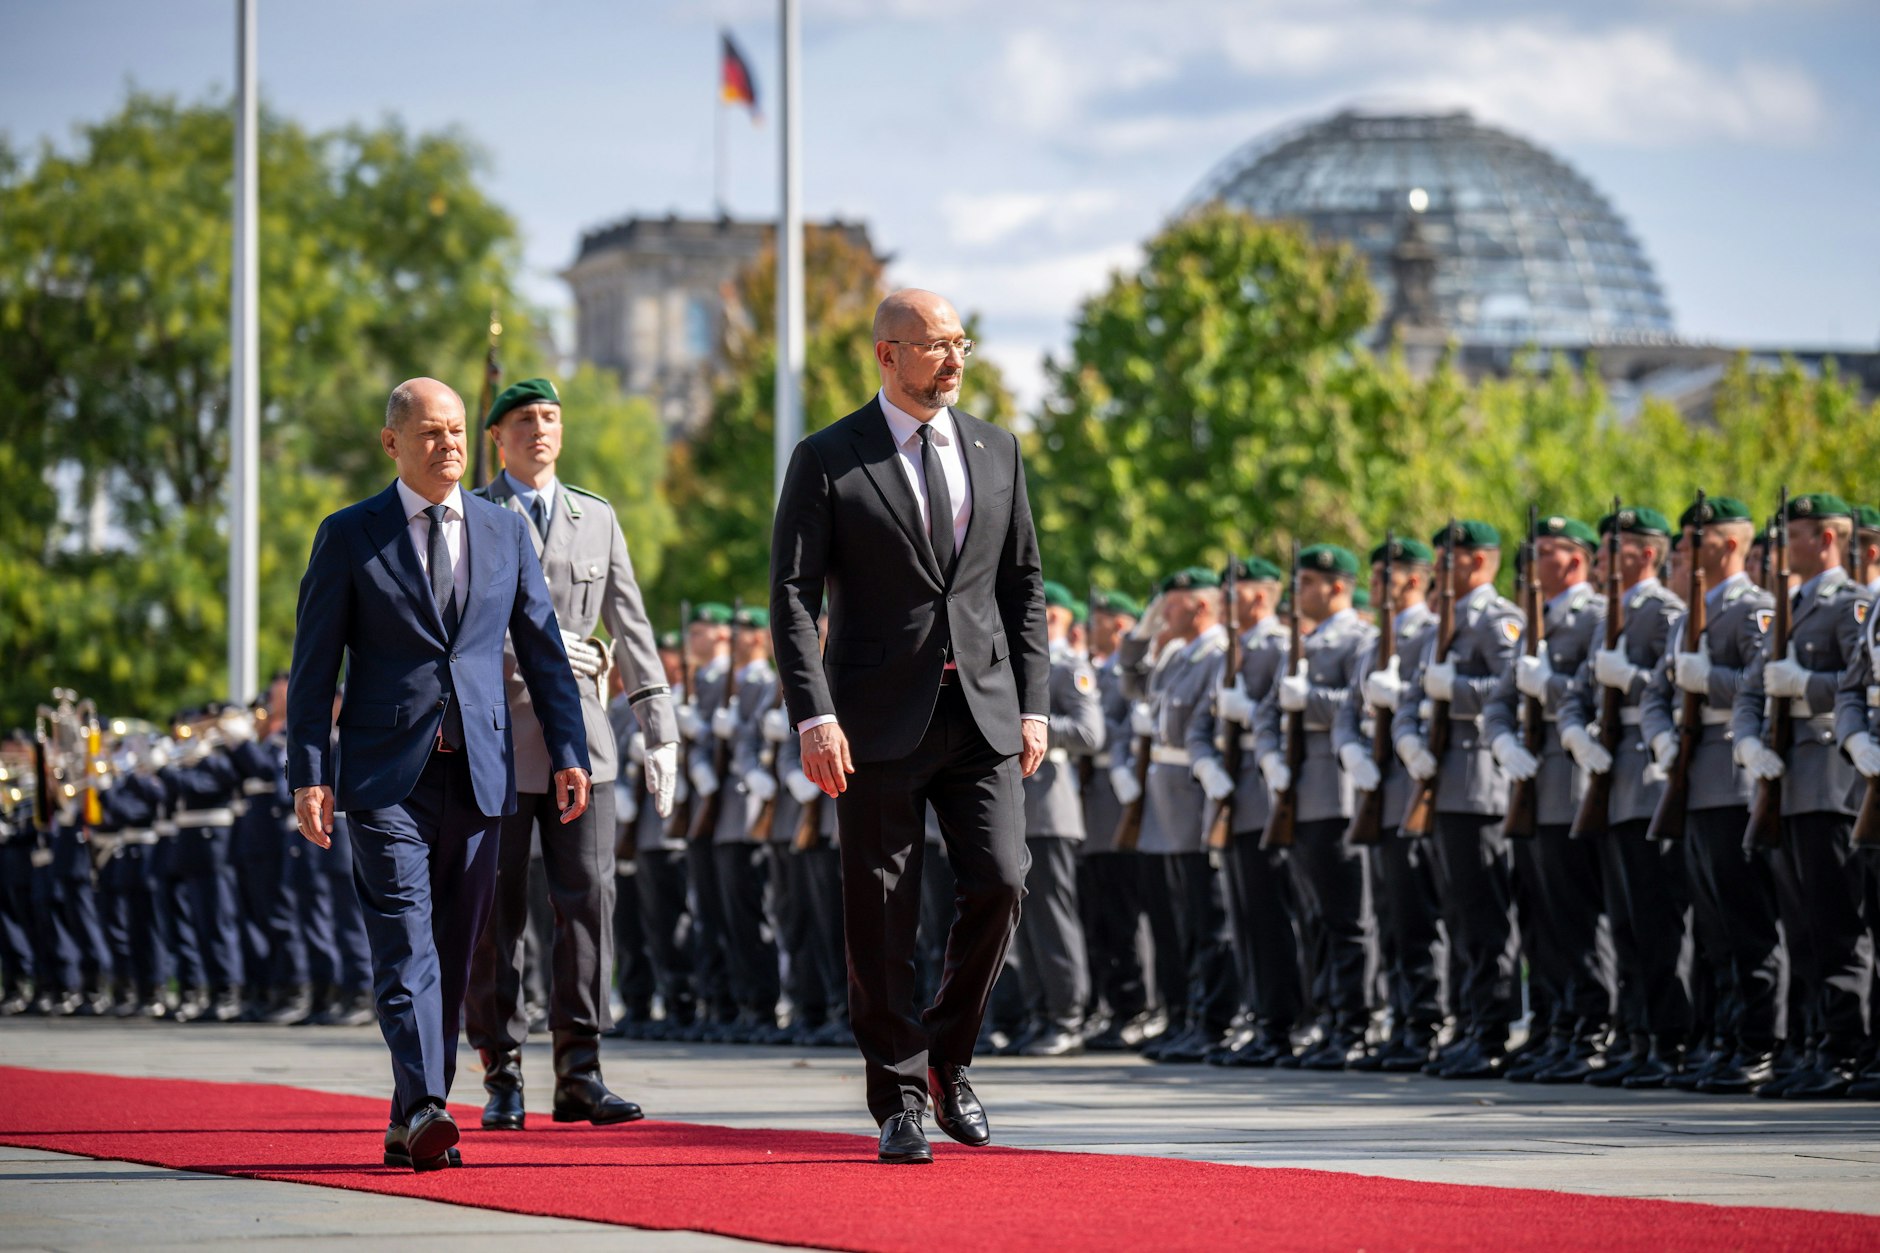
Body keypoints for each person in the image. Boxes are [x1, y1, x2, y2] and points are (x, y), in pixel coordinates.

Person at [769, 289, 1048, 1165]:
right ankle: (896, 1094)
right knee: (883, 911)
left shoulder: (997, 450)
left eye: (960, 342)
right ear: (887, 355)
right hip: (873, 719)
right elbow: (790, 595)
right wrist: (814, 713)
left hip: (984, 713)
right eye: (935, 346)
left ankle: (947, 1056)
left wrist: (1036, 702)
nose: (954, 360)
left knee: (1003, 879)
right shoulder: (828, 458)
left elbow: (1024, 586)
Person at [286, 377, 592, 1173]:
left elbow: (543, 649)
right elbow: (314, 667)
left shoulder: (503, 531)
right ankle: (427, 1103)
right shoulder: (350, 534)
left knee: (457, 953)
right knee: (405, 943)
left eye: (457, 430)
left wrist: (568, 749)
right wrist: (308, 771)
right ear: (393, 443)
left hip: (482, 772)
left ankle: (405, 1115)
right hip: (387, 777)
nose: (449, 444)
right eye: (430, 433)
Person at [464, 377, 678, 1132]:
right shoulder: (472, 514)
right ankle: (502, 1068)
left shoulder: (597, 517)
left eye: (551, 418)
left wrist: (661, 726)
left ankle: (580, 1068)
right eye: (524, 420)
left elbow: (633, 620)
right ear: (498, 436)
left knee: (589, 904)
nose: (540, 430)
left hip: (584, 741)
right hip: (494, 739)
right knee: (497, 914)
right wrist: (548, 653)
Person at [1481, 515, 1612, 1084]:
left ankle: (1590, 1026)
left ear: (1576, 560)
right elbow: (1498, 700)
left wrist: (1549, 688)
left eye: (1547, 550)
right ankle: (1556, 1024)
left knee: (1576, 916)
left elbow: (1593, 691)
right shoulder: (1537, 621)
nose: (1532, 560)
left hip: (1572, 787)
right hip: (1532, 785)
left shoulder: (1598, 616)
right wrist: (1504, 739)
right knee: (1541, 919)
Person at [1393, 521, 1524, 1079]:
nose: (1437, 571)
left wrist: (1459, 692)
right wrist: (1409, 742)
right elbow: (1409, 695)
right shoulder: (1435, 628)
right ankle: (1471, 1023)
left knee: (1485, 916)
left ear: (1477, 563)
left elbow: (1513, 688)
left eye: (1448, 560)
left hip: (1479, 785)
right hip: (1442, 783)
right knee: (1458, 914)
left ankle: (1492, 1028)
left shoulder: (1499, 620)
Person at [1253, 544, 1378, 1069]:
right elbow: (1267, 710)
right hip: (1300, 793)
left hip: (1338, 792)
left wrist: (1314, 701)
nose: (1297, 591)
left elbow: (1363, 701)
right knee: (1317, 918)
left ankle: (1354, 1023)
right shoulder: (1301, 642)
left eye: (1306, 582)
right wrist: (1270, 758)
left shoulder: (1360, 639)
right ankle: (1327, 1019)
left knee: (1347, 918)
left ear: (1337, 586)